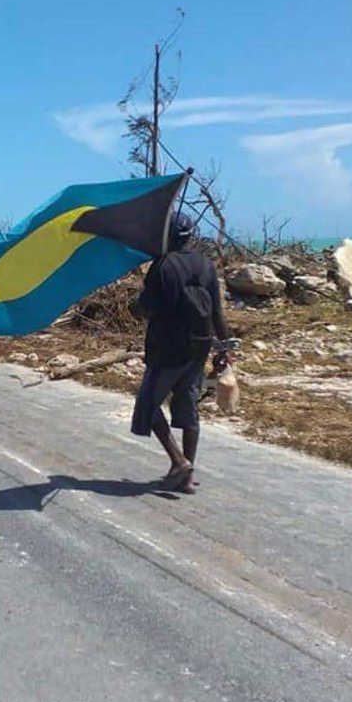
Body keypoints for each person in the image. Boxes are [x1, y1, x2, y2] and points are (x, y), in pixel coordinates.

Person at [131, 211, 229, 494]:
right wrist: (224, 347)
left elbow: (147, 308)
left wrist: (136, 305)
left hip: (167, 349)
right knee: (189, 410)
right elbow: (217, 312)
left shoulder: (162, 266)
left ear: (166, 236)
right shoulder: (206, 265)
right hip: (199, 347)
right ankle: (186, 479)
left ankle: (179, 462)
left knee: (149, 405)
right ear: (191, 236)